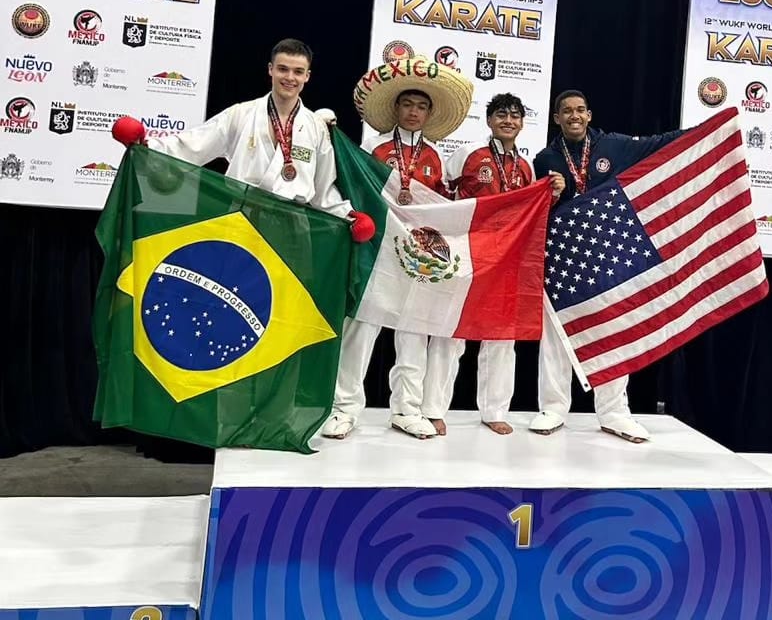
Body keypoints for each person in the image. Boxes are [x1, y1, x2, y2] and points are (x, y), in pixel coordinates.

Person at [321, 55, 474, 441]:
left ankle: (406, 409)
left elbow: (441, 208)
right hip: (376, 252)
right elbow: (354, 187)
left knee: (413, 333)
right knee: (362, 328)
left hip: (417, 256)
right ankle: (345, 408)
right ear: (396, 108)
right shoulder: (371, 148)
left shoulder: (436, 156)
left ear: (428, 114)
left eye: (421, 107)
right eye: (407, 104)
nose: (414, 112)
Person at [531, 89, 682, 443]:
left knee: (613, 328)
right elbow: (536, 211)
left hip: (608, 253)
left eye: (580, 110)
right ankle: (553, 407)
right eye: (566, 111)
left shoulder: (614, 146)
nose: (574, 116)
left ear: (589, 114)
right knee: (556, 335)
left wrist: (707, 130)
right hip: (563, 256)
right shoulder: (544, 158)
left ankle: (614, 411)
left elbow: (661, 143)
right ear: (556, 118)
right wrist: (552, 194)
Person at [112, 38, 371, 237]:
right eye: (283, 69)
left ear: (307, 76)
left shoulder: (316, 127)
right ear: (270, 70)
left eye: (297, 71)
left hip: (293, 228)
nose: (289, 78)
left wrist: (348, 216)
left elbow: (323, 188)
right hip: (242, 219)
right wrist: (146, 146)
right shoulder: (241, 114)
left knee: (287, 304)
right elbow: (193, 144)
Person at [445, 93, 565, 434]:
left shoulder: (525, 167)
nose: (508, 121)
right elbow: (442, 197)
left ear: (522, 123)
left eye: (514, 115)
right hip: (467, 253)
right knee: (450, 332)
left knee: (500, 336)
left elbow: (530, 212)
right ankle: (433, 407)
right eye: (501, 114)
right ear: (489, 120)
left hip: (505, 259)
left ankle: (494, 409)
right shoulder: (468, 154)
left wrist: (551, 193)